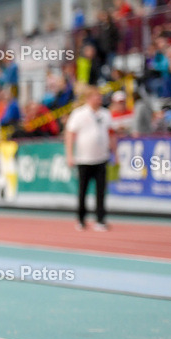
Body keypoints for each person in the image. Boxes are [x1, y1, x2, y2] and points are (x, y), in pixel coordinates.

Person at [65, 86, 115, 231]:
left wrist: (115, 153)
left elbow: (111, 133)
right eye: (95, 96)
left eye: (99, 96)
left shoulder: (105, 114)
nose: (99, 99)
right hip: (84, 159)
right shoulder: (79, 114)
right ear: (88, 98)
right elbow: (70, 134)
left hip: (102, 158)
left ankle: (100, 219)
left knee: (101, 191)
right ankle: (81, 219)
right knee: (83, 191)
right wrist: (70, 155)